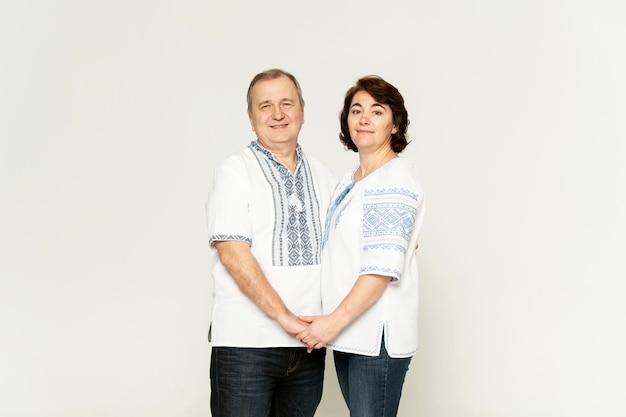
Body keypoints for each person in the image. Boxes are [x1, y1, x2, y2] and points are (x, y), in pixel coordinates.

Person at [205, 68, 337, 417]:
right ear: (251, 118)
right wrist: (284, 317)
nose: (277, 114)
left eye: (286, 103)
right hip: (246, 346)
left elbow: (343, 249)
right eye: (265, 106)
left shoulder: (325, 177)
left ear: (303, 113)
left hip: (308, 348)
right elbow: (233, 254)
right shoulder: (234, 172)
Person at [297, 75, 425, 417]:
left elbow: (380, 271)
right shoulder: (349, 180)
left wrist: (331, 322)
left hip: (375, 337)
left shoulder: (394, 178)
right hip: (350, 333)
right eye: (356, 110)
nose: (364, 118)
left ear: (395, 125)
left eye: (377, 111)